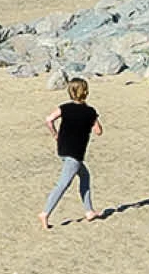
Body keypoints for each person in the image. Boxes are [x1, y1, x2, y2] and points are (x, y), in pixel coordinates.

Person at [38, 80, 102, 229]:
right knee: (63, 184)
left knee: (85, 176)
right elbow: (99, 131)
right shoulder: (90, 112)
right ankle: (45, 213)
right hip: (75, 153)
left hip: (63, 149)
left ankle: (89, 211)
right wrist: (93, 119)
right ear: (86, 92)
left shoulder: (64, 108)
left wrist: (55, 134)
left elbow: (49, 120)